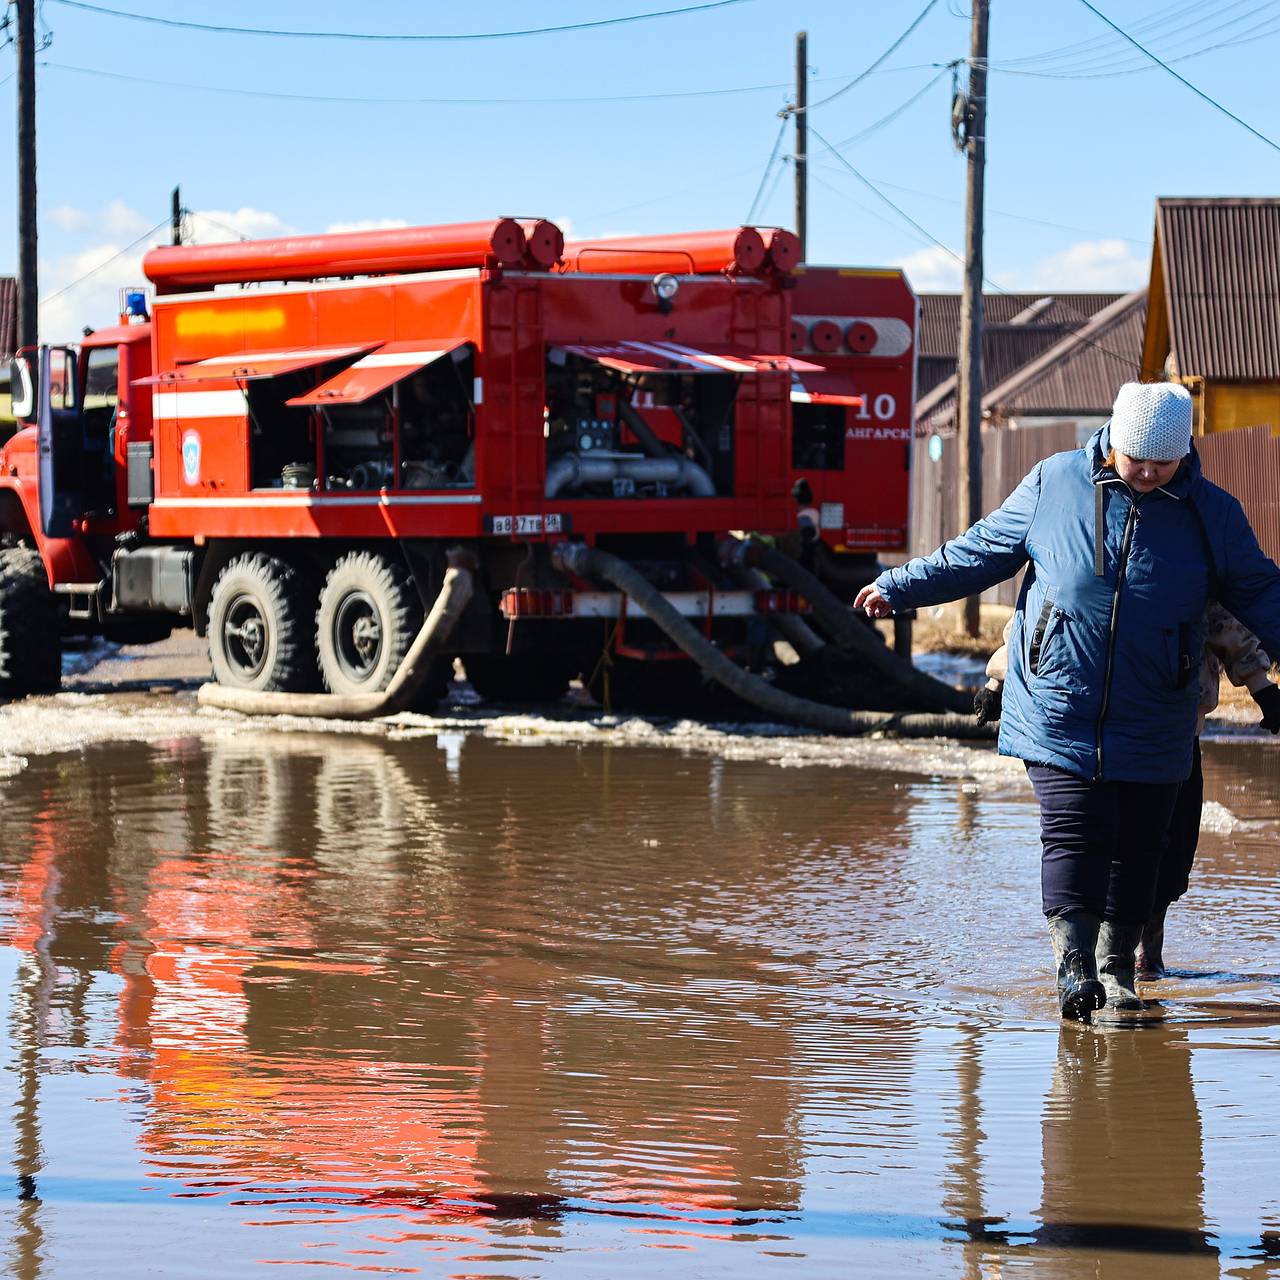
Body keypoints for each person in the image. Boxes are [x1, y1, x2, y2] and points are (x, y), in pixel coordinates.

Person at [855, 382, 1280, 1022]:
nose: (1145, 472)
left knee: (1142, 844)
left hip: (1159, 708)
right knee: (1075, 832)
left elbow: (1259, 593)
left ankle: (1118, 971)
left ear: (1185, 452)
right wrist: (900, 587)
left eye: (1162, 463)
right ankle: (1074, 967)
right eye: (1136, 457)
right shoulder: (1055, 484)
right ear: (1112, 440)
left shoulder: (1210, 512)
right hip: (1059, 700)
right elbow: (981, 552)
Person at [977, 604, 1280, 982]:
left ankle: (1147, 952)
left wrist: (1260, 685)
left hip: (1174, 729)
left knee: (1171, 855)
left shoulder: (1186, 551)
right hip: (1093, 729)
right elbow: (1041, 612)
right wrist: (999, 678)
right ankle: (1099, 962)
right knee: (1098, 845)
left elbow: (1223, 620)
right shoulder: (1079, 547)